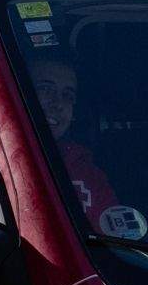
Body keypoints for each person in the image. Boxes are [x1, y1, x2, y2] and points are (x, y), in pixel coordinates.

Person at [31, 59, 121, 228]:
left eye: (68, 95)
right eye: (45, 89)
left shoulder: (89, 175)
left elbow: (117, 239)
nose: (58, 103)